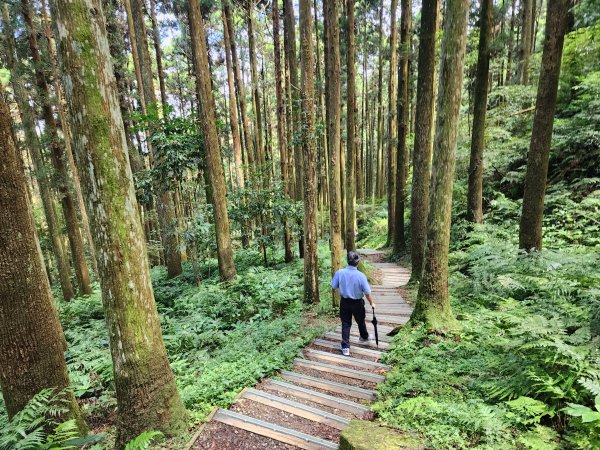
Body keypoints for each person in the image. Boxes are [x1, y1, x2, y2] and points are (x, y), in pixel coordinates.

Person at [331, 251, 376, 356]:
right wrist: (372, 303)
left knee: (346, 323)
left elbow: (333, 286)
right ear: (358, 262)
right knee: (360, 320)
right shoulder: (361, 276)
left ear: (347, 261)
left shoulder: (339, 273)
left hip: (344, 302)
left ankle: (345, 347)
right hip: (357, 303)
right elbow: (367, 293)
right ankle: (364, 337)